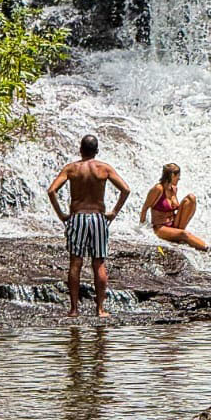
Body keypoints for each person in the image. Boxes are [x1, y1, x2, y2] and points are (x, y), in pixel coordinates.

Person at [47, 134, 131, 317]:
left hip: (77, 217)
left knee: (75, 262)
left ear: (80, 150)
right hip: (98, 218)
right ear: (97, 151)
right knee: (99, 263)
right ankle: (100, 309)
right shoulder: (104, 168)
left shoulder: (71, 168)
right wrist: (114, 212)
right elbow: (125, 189)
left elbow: (52, 190)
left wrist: (61, 214)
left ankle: (74, 309)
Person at [140, 162, 211, 257]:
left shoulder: (173, 189)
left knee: (191, 198)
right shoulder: (158, 189)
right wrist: (142, 229)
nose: (179, 178)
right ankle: (208, 249)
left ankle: (177, 235)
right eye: (178, 176)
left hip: (174, 223)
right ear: (172, 175)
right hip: (160, 228)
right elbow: (145, 208)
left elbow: (176, 206)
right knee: (184, 234)